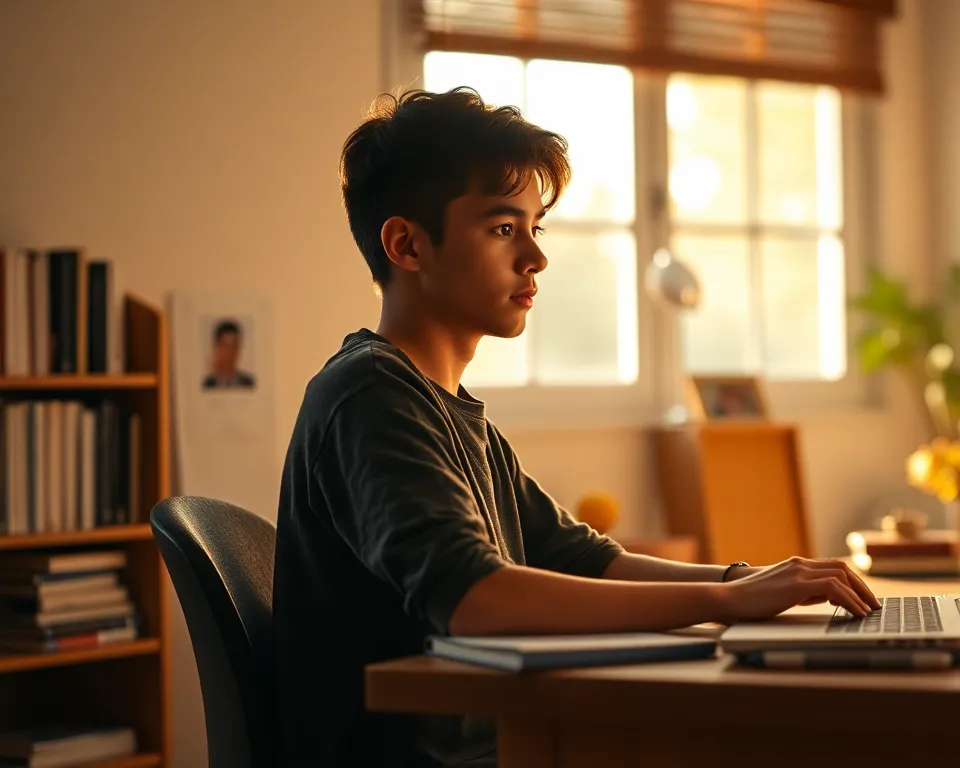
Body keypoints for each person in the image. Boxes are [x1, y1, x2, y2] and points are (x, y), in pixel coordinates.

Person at [271, 86, 882, 768]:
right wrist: (726, 600)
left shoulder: (448, 409)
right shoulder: (369, 394)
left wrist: (753, 578)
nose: (535, 256)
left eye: (537, 227)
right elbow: (476, 598)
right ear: (407, 244)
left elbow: (587, 558)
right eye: (504, 229)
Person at [202, 319, 255, 389]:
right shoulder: (206, 385)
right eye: (225, 346)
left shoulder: (249, 384)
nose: (230, 352)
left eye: (234, 346)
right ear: (217, 349)